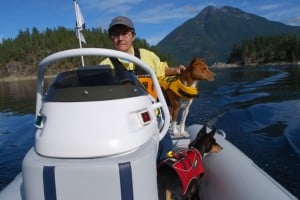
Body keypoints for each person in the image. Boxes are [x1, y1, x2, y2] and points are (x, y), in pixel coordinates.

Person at [100, 16, 186, 163]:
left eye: (125, 33)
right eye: (116, 34)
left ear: (133, 36)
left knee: (165, 154)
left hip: (153, 118)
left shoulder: (147, 56)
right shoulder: (105, 65)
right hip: (123, 123)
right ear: (111, 38)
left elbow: (162, 69)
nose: (120, 38)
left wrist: (176, 70)